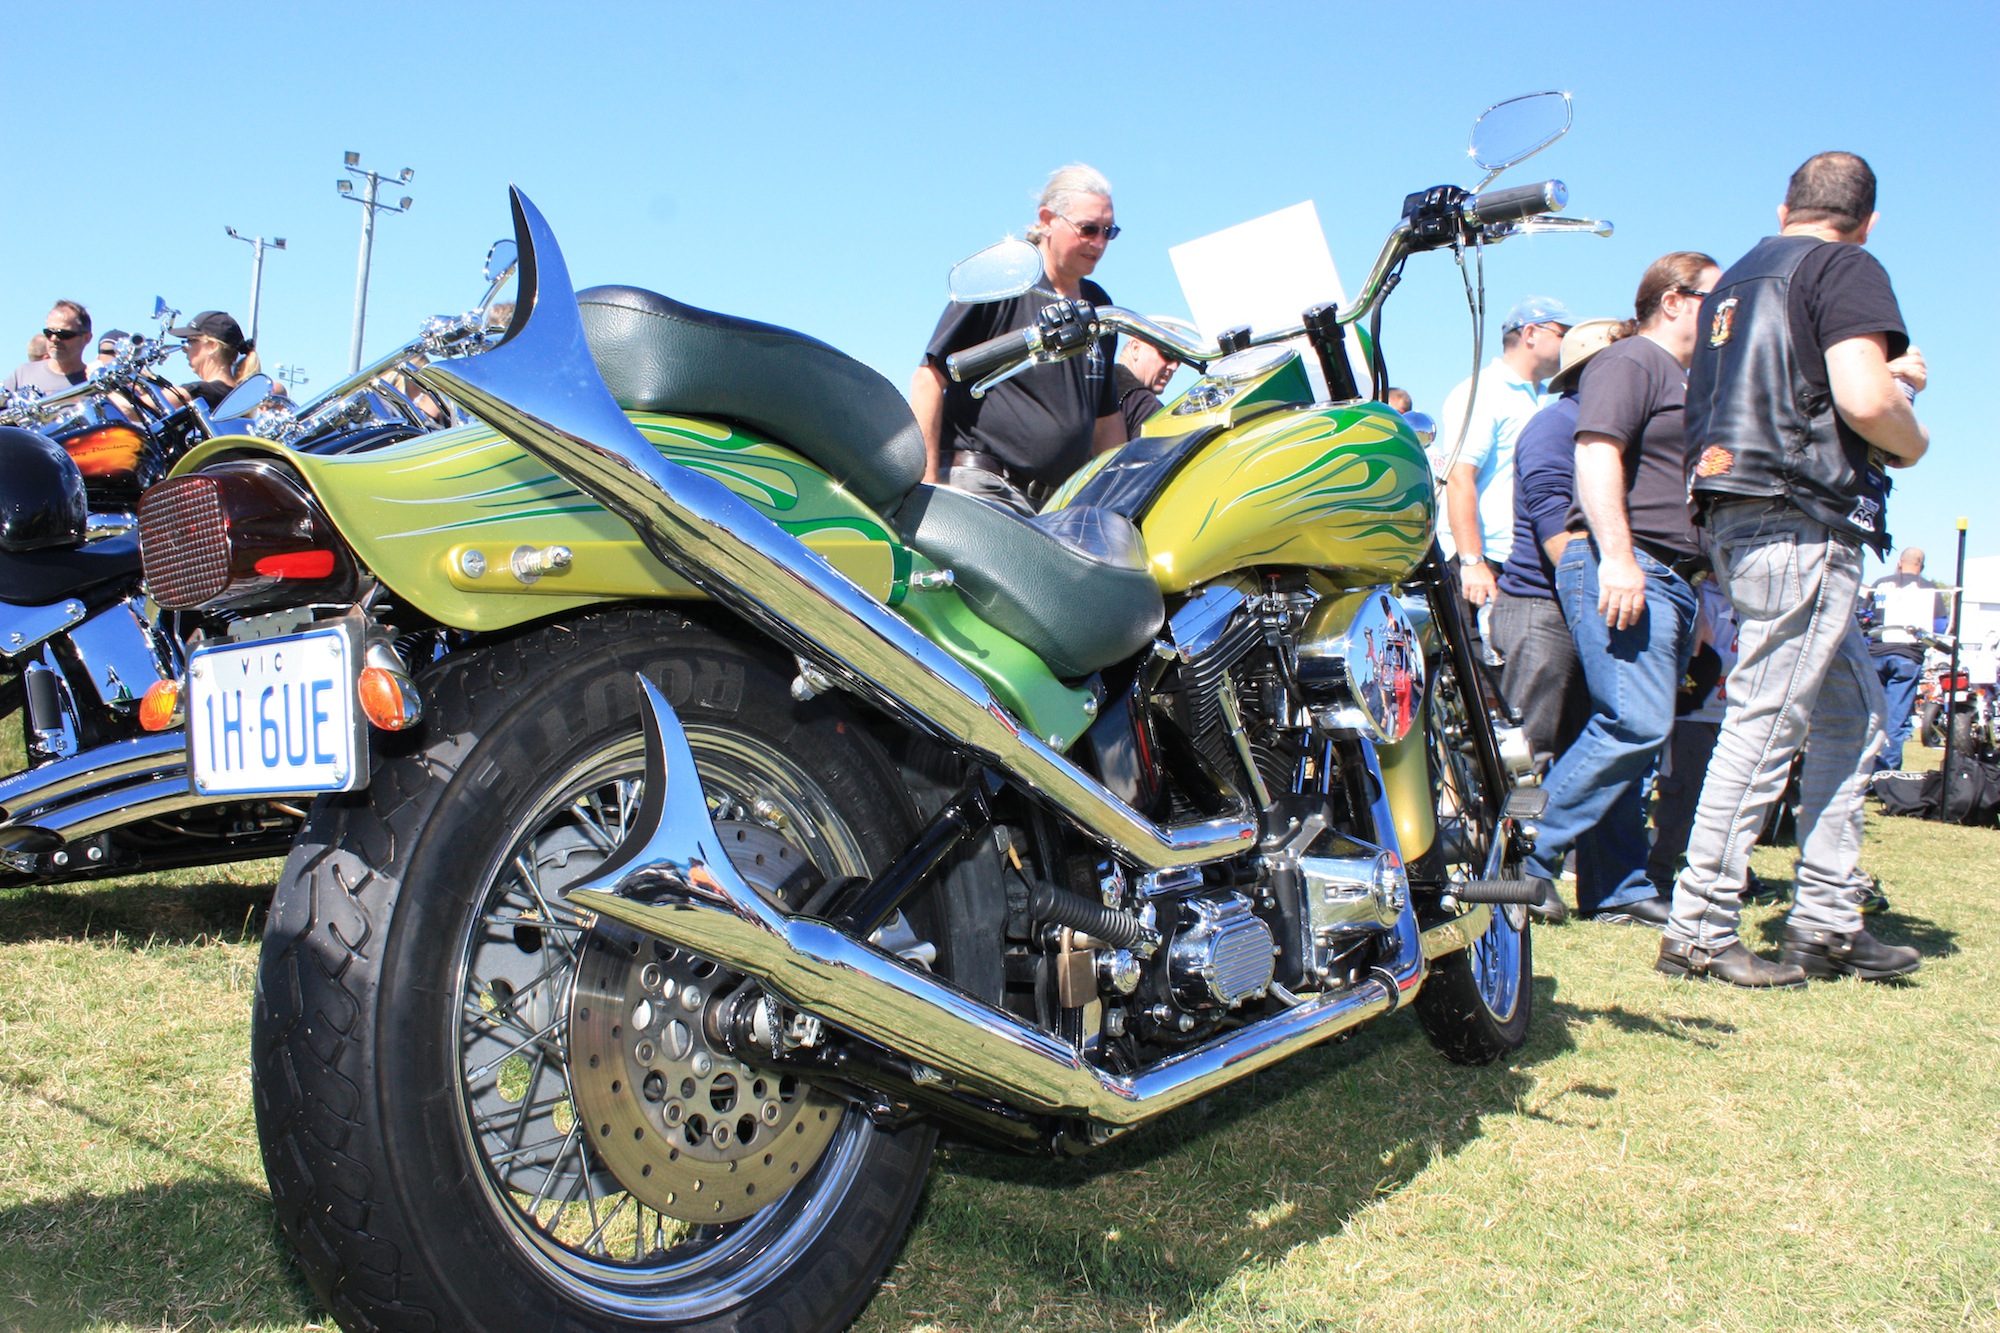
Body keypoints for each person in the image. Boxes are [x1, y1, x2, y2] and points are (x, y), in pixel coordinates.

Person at [1661, 152, 1928, 988]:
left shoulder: (1737, 280)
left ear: (1785, 208)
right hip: (1801, 512)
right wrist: (1909, 420)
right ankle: (1698, 926)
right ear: (1868, 219)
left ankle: (1826, 919)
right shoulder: (1845, 264)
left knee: (1852, 714)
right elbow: (1863, 397)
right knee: (1768, 721)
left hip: (1736, 507)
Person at [1518, 253, 1721, 926]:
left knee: (1638, 730)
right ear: (1672, 299)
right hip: (1630, 567)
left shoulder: (1678, 378)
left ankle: (1618, 888)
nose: (1726, 315)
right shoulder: (1629, 362)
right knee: (1632, 721)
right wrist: (1619, 557)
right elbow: (1596, 453)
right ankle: (1526, 855)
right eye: (1715, 299)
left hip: (1670, 576)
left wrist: (1696, 592)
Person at [1490, 318, 1618, 922]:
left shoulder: (1595, 429)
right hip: (1540, 608)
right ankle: (1509, 874)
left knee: (1574, 746)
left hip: (1576, 607)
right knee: (1526, 751)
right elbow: (1553, 525)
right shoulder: (1556, 426)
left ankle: (1565, 871)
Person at [912, 164, 1124, 514]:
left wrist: (1118, 506)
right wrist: (926, 487)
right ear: (1046, 219)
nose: (1099, 243)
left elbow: (1107, 422)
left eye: (1108, 232)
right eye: (1088, 229)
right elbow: (928, 379)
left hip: (1060, 506)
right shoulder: (1005, 278)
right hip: (986, 489)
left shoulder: (1099, 306)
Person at [1430, 296, 1573, 607]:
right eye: (1564, 333)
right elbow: (1459, 478)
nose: (1571, 342)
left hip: (1521, 564)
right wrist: (1472, 562)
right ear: (1531, 334)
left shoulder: (1543, 399)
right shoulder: (1485, 391)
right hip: (1488, 567)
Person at [1865, 547, 1947, 772]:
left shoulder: (1880, 583)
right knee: (1896, 716)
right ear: (1922, 565)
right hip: (1907, 656)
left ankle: (1861, 769)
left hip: (1876, 655)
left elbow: (1864, 617)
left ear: (1900, 562)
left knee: (1870, 713)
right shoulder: (1929, 589)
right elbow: (1940, 626)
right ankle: (1886, 772)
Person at [1111, 318, 1191, 440]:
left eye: (1179, 361)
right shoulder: (1145, 404)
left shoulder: (1092, 385)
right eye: (1168, 355)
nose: (1174, 367)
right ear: (1135, 348)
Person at [165, 311, 260, 409]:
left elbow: (155, 402)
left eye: (189, 342)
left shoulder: (208, 393)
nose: (184, 350)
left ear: (212, 346)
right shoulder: (234, 395)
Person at [4, 301, 93, 396]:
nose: (54, 339)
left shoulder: (94, 382)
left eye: (63, 334)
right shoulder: (22, 374)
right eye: (49, 332)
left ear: (86, 338)